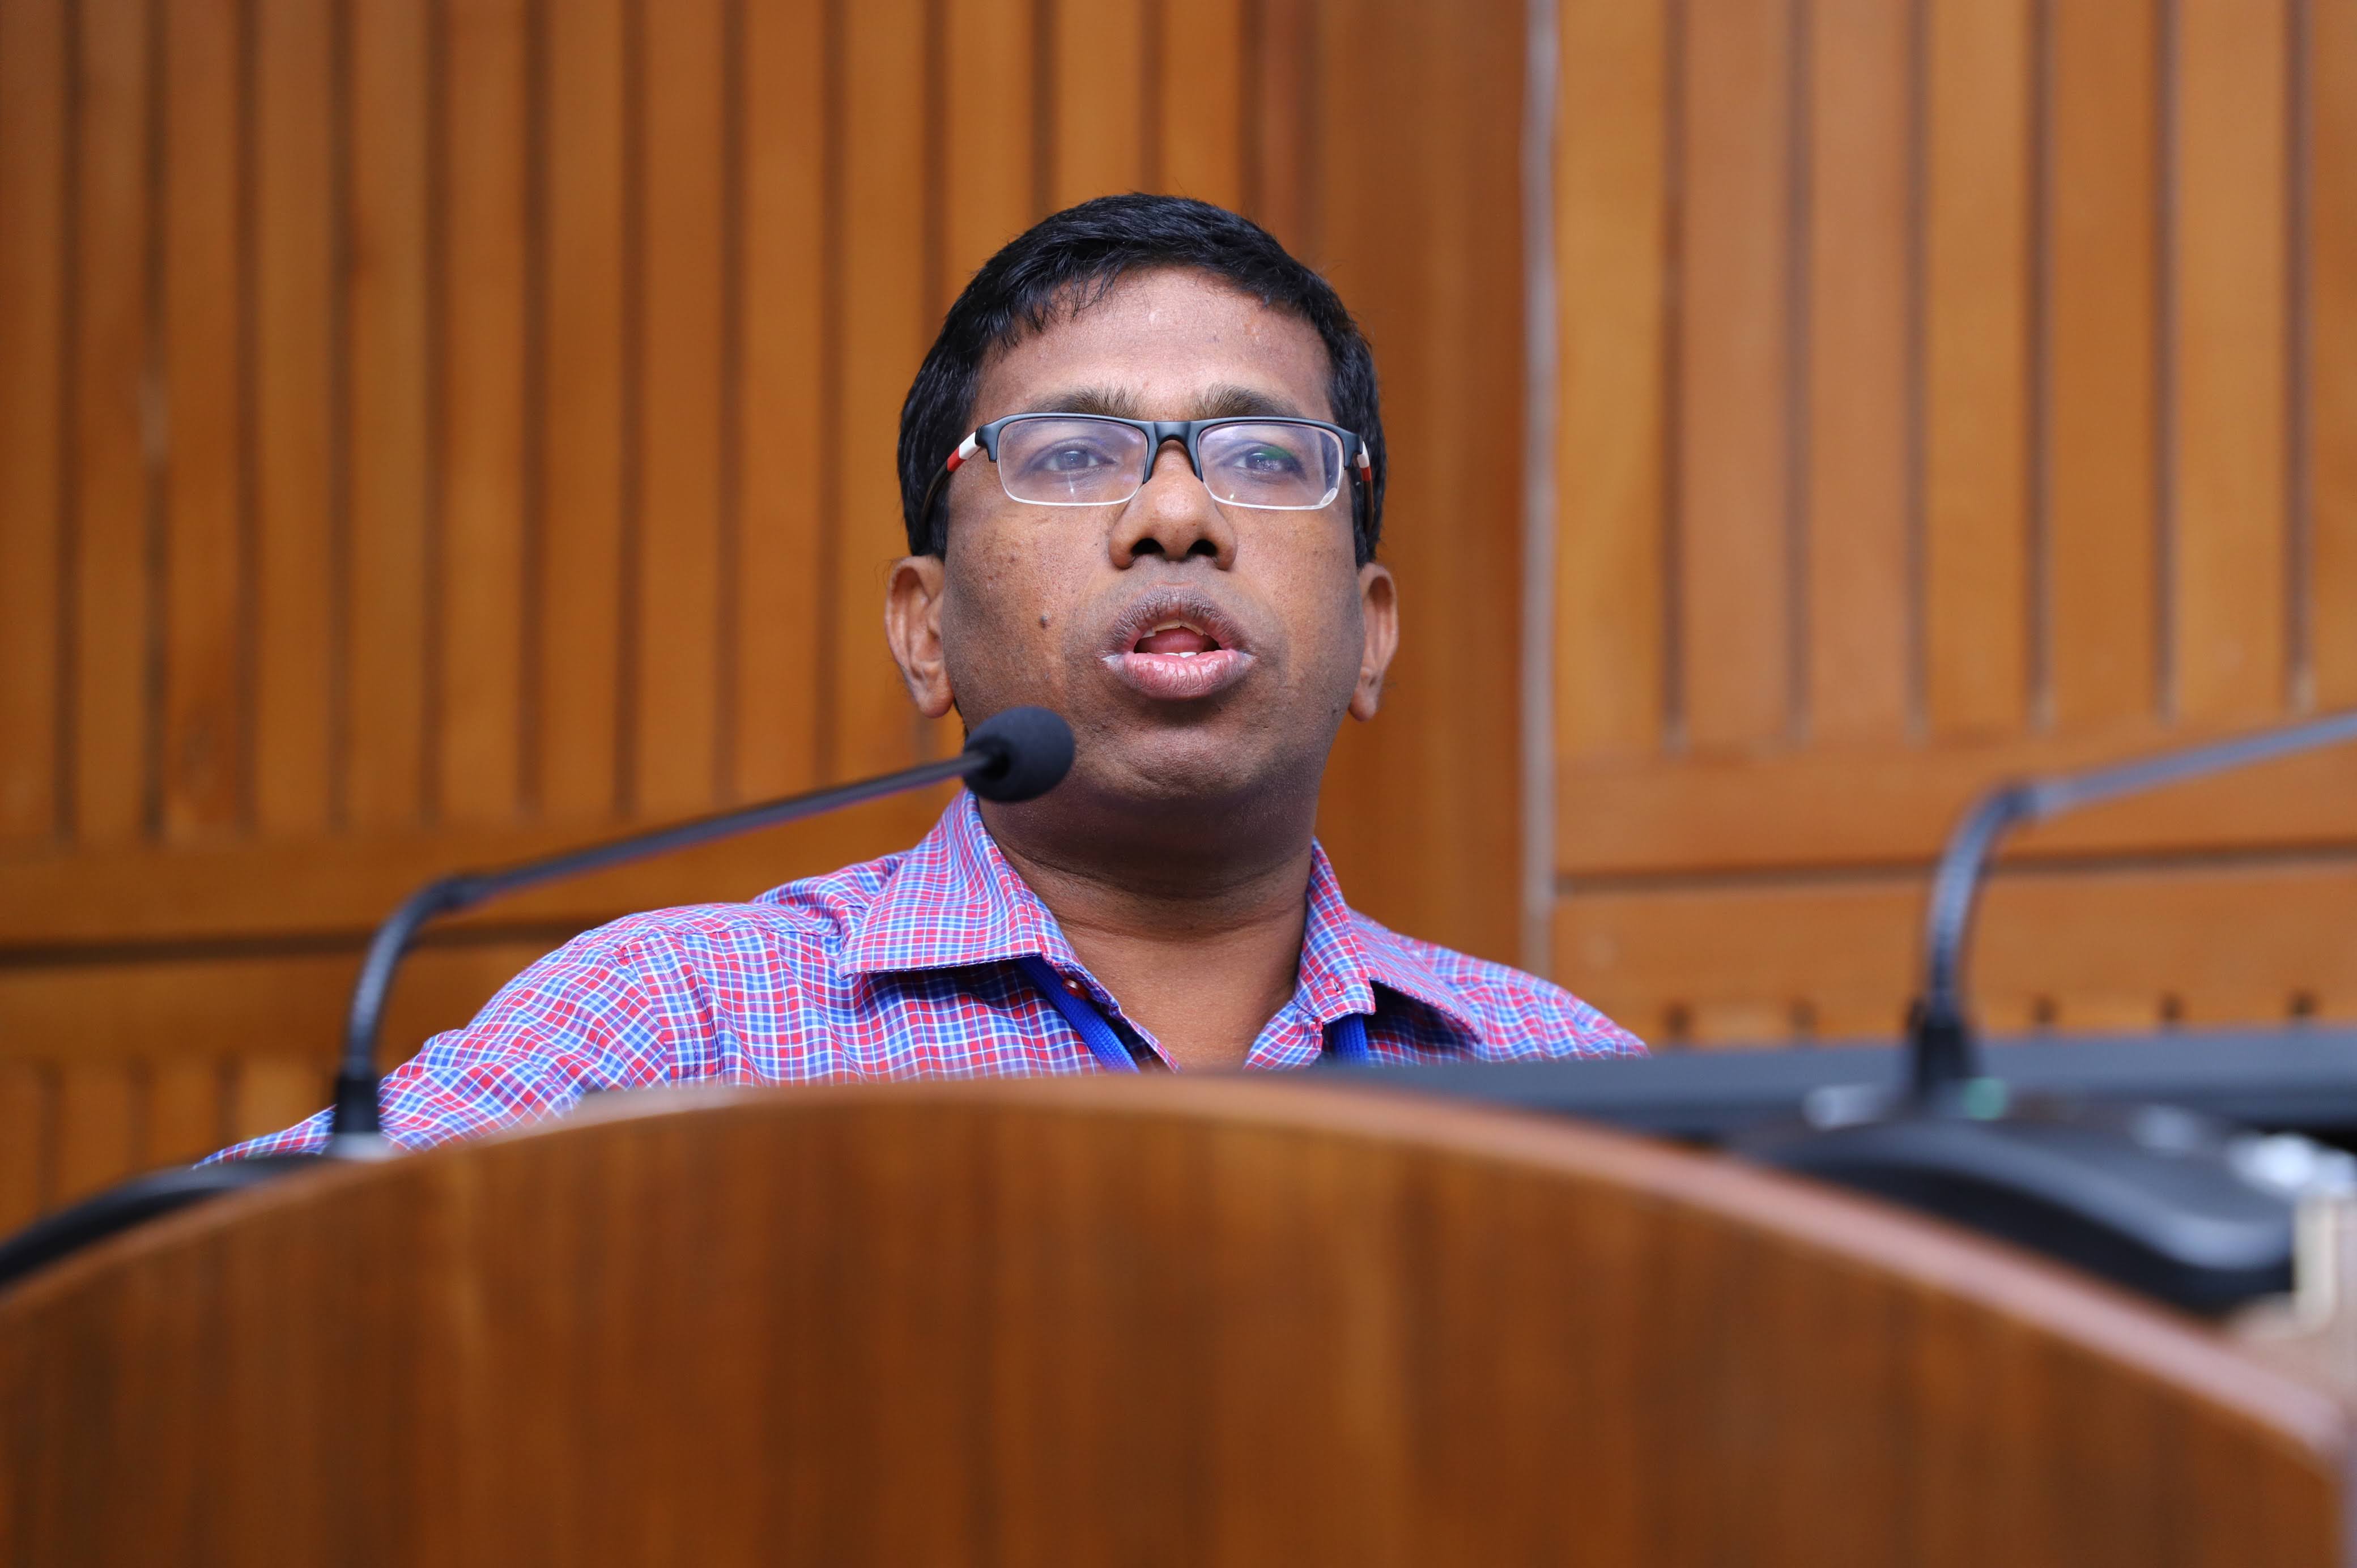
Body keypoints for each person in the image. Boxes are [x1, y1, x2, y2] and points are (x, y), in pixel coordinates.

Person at [221, 194, 1639, 1158]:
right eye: (1073, 453)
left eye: (1263, 456)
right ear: (923, 629)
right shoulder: (675, 1027)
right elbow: (195, 1295)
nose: (1176, 515)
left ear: (1372, 632)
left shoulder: (1569, 1085)